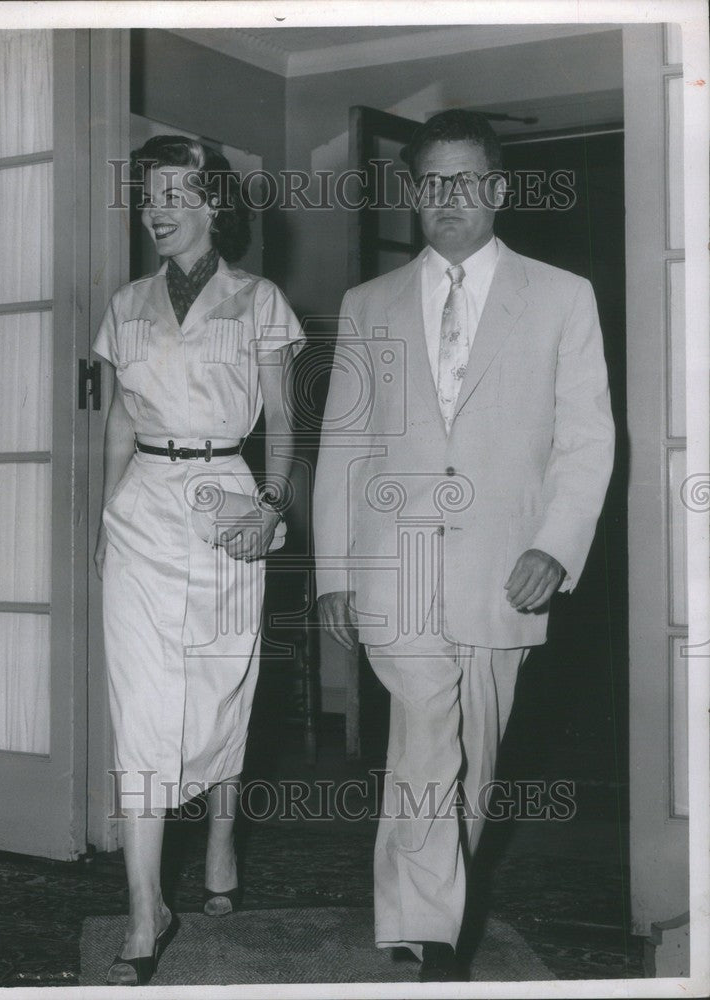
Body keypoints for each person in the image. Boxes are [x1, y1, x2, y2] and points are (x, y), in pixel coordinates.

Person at [313, 109, 615, 982]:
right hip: (393, 564)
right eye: (429, 182)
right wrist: (334, 570)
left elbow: (585, 439)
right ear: (413, 193)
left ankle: (415, 914)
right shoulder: (366, 304)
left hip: (502, 567)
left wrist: (555, 546)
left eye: (464, 180)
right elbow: (345, 442)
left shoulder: (561, 296)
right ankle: (438, 938)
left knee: (469, 758)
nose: (445, 198)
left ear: (496, 190)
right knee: (424, 732)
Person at [92, 135, 304, 985]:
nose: (159, 210)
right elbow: (115, 417)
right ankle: (147, 908)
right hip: (142, 501)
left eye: (179, 194)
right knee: (139, 702)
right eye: (150, 195)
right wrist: (106, 513)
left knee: (220, 685)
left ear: (216, 205)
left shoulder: (258, 300)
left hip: (226, 495)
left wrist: (271, 505)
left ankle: (220, 840)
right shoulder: (127, 302)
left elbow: (283, 420)